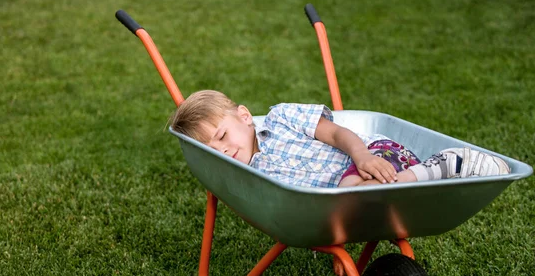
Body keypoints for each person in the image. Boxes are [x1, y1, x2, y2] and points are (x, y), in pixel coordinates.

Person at [170, 90, 510, 188]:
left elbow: (337, 132)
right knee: (349, 195)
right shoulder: (247, 175)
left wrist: (362, 157)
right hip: (340, 199)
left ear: (245, 116)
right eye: (211, 150)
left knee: (351, 192)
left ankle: (450, 164)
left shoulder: (281, 118)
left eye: (222, 136)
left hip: (375, 155)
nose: (223, 149)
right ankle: (431, 173)